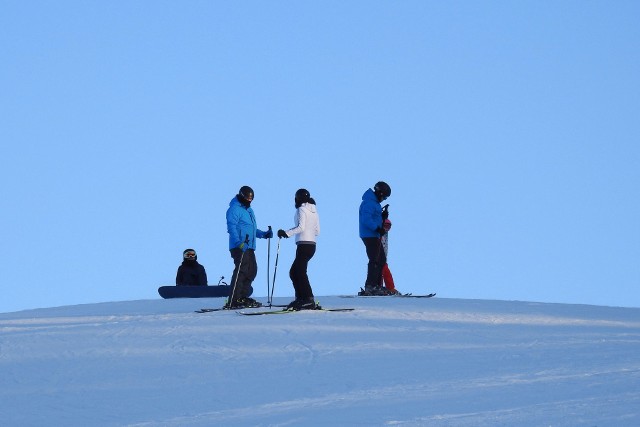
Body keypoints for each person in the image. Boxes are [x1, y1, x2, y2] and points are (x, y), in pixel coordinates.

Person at [225, 185, 273, 308]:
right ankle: (234, 299)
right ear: (242, 196)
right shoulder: (234, 209)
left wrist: (263, 234)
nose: (249, 200)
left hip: (249, 246)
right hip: (239, 246)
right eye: (247, 198)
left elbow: (251, 229)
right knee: (242, 270)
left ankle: (242, 297)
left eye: (251, 199)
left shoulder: (248, 210)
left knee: (252, 271)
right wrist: (238, 243)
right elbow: (232, 227)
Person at [277, 189, 320, 311]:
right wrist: (309, 233)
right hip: (311, 245)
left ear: (298, 199)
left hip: (303, 244)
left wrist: (286, 233)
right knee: (294, 272)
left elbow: (301, 227)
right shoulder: (314, 211)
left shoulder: (301, 209)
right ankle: (301, 298)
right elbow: (317, 231)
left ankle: (307, 299)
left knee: (299, 272)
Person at [358, 181, 392, 295]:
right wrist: (377, 228)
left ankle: (376, 285)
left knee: (381, 260)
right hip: (369, 235)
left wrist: (382, 217)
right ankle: (371, 285)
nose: (384, 199)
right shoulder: (369, 203)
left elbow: (374, 217)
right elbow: (366, 219)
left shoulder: (374, 203)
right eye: (384, 196)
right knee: (375, 259)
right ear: (379, 193)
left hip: (374, 235)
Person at [380, 219, 400, 295]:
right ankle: (386, 288)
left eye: (389, 227)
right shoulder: (379, 233)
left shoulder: (385, 234)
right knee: (381, 272)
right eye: (385, 226)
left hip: (383, 259)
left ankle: (390, 288)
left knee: (386, 273)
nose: (387, 228)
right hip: (379, 258)